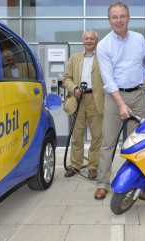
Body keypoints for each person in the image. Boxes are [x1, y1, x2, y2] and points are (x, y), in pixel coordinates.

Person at [94, 2, 145, 200]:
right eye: (114, 17)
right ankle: (103, 183)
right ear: (109, 20)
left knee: (137, 144)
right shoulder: (103, 45)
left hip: (138, 95)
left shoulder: (139, 39)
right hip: (114, 98)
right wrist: (121, 104)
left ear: (128, 18)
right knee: (108, 142)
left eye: (122, 16)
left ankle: (136, 185)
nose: (119, 20)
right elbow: (108, 79)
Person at [62, 30, 104, 180]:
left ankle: (93, 166)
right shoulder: (74, 58)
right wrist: (74, 88)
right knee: (77, 135)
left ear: (96, 41)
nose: (89, 41)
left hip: (96, 99)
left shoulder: (102, 58)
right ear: (83, 41)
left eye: (92, 38)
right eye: (86, 38)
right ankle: (75, 165)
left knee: (97, 136)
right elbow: (66, 78)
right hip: (78, 99)